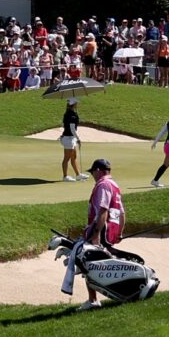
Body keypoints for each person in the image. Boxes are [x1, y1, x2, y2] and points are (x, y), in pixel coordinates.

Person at [63, 157, 125, 298]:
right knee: (95, 262)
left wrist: (96, 233)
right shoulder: (114, 185)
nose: (92, 176)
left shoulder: (103, 185)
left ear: (98, 171)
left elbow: (102, 211)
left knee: (88, 263)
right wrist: (119, 232)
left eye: (93, 172)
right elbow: (122, 212)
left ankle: (93, 300)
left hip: (101, 229)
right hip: (111, 229)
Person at [58, 94, 84, 183]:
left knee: (74, 157)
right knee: (67, 158)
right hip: (68, 138)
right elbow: (72, 129)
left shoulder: (70, 113)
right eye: (76, 103)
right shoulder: (71, 115)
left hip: (70, 138)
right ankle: (65, 176)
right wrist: (78, 139)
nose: (77, 104)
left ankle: (78, 175)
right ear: (74, 104)